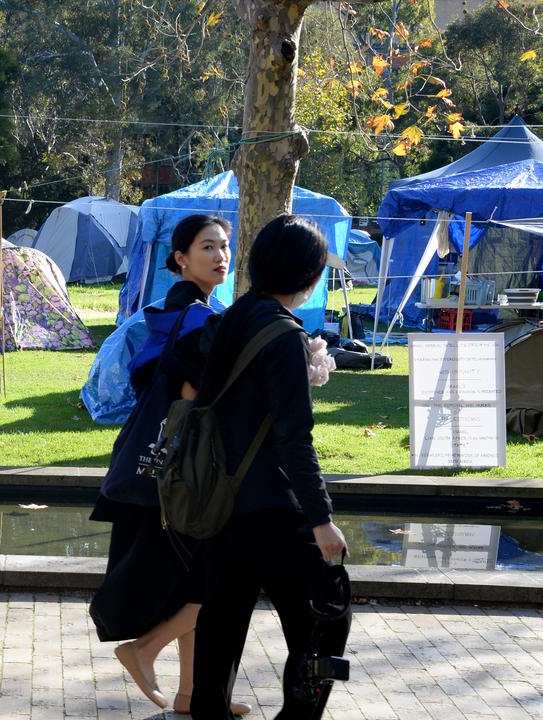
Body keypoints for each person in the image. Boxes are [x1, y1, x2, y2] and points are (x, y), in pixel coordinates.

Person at [189, 215, 351, 720]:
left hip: (220, 502)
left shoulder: (233, 317)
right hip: (275, 511)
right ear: (305, 274)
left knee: (221, 626)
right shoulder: (282, 336)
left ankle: (208, 714)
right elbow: (293, 439)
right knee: (325, 624)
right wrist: (321, 520)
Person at [91, 214, 250, 716]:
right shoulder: (198, 321)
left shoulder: (169, 312)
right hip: (188, 475)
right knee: (219, 582)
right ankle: (143, 650)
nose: (220, 256)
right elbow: (197, 394)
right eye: (208, 248)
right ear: (180, 258)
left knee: (194, 583)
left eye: (224, 246)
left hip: (161, 471)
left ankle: (193, 697)